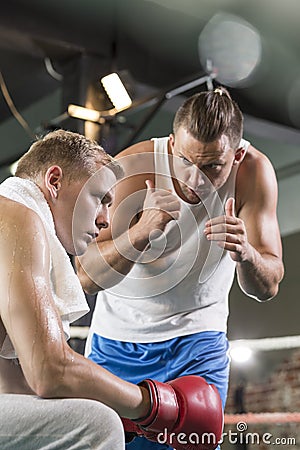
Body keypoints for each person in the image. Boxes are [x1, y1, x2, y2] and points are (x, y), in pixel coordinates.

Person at [76, 87, 284, 450]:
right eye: (186, 162)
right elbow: (85, 278)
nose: (195, 180)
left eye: (211, 167)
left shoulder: (254, 172)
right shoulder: (130, 168)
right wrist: (139, 233)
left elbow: (266, 287)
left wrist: (246, 254)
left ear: (236, 155)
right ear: (172, 145)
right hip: (117, 343)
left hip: (198, 342)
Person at [0, 129, 223, 450]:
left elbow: (16, 386)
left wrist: (122, 407)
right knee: (96, 424)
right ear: (54, 181)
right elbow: (50, 371)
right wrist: (155, 406)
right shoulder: (18, 215)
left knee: (92, 412)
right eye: (100, 199)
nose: (106, 220)